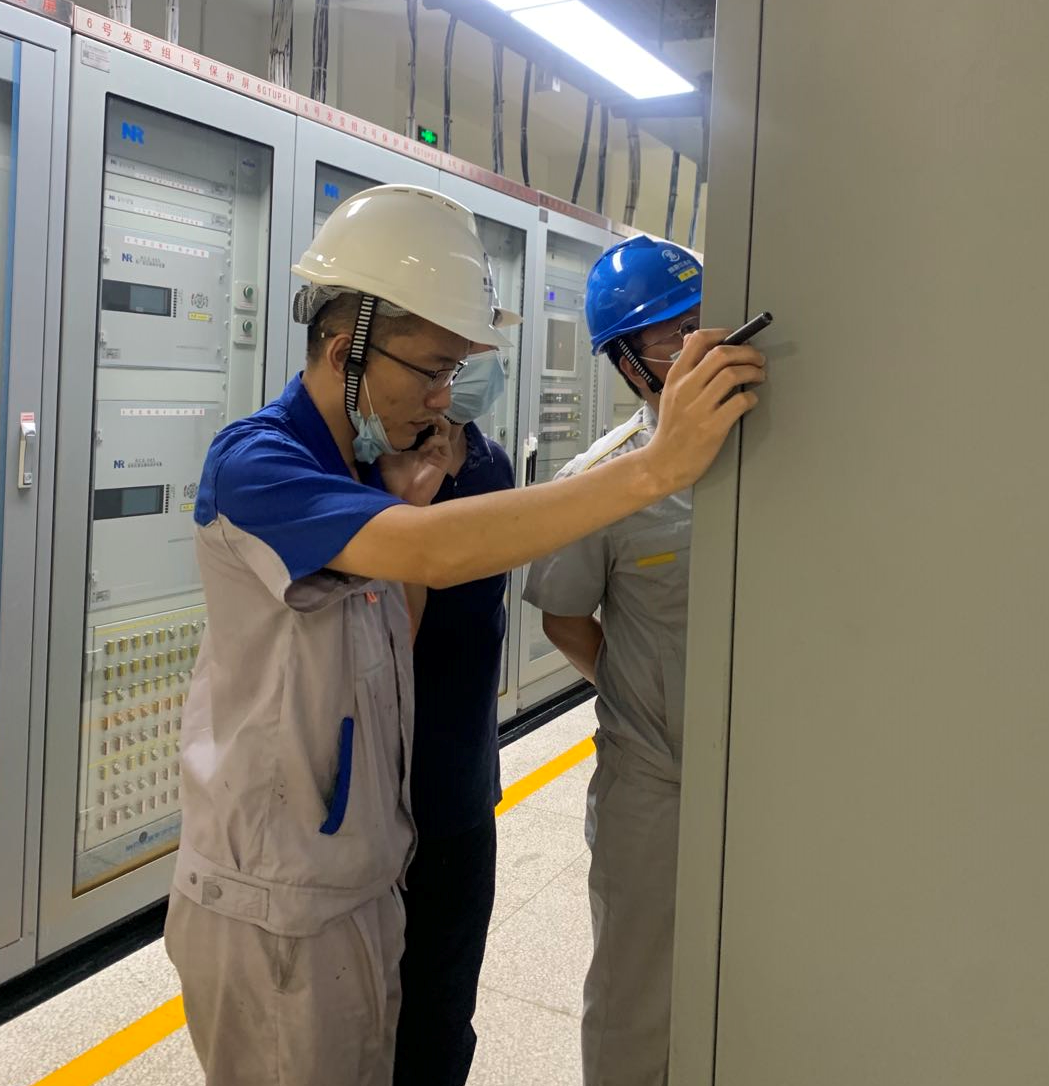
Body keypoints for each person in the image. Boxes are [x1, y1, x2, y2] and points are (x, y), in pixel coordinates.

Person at [164, 187, 765, 1086]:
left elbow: (391, 645)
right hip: (276, 890)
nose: (447, 397)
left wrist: (407, 504)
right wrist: (655, 468)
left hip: (366, 864)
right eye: (433, 369)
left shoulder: (376, 470)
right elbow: (434, 553)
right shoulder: (258, 464)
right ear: (347, 350)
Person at [523, 233, 707, 1086]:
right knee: (638, 995)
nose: (697, 344)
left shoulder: (782, 456)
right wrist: (645, 701)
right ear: (629, 364)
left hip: (776, 772)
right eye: (673, 335)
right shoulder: (602, 482)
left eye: (704, 321)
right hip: (655, 779)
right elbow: (566, 619)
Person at [389, 351, 514, 1086]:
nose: (471, 369)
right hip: (385, 791)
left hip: (464, 782)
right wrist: (413, 507)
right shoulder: (373, 469)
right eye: (450, 355)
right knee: (375, 1010)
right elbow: (385, 636)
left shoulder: (493, 465)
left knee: (443, 1006)